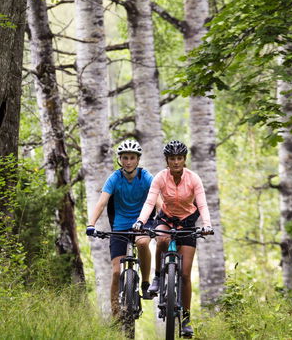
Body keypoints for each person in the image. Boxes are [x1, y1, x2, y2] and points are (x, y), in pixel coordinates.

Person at [132, 140, 213, 338]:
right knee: (161, 240)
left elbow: (201, 204)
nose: (176, 162)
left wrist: (207, 224)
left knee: (185, 275)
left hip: (187, 223)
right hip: (166, 219)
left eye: (179, 158)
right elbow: (150, 201)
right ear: (167, 161)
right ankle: (159, 277)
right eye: (172, 159)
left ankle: (186, 319)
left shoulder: (194, 178)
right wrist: (141, 221)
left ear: (184, 160)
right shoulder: (160, 177)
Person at [86, 139, 158, 319]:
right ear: (119, 159)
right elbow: (102, 203)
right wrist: (91, 224)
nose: (128, 161)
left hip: (143, 222)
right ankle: (115, 313)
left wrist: (164, 217)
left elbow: (158, 200)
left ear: (138, 160)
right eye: (125, 157)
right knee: (117, 272)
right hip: (119, 226)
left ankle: (146, 283)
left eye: (132, 158)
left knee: (142, 243)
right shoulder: (114, 178)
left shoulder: (146, 176)